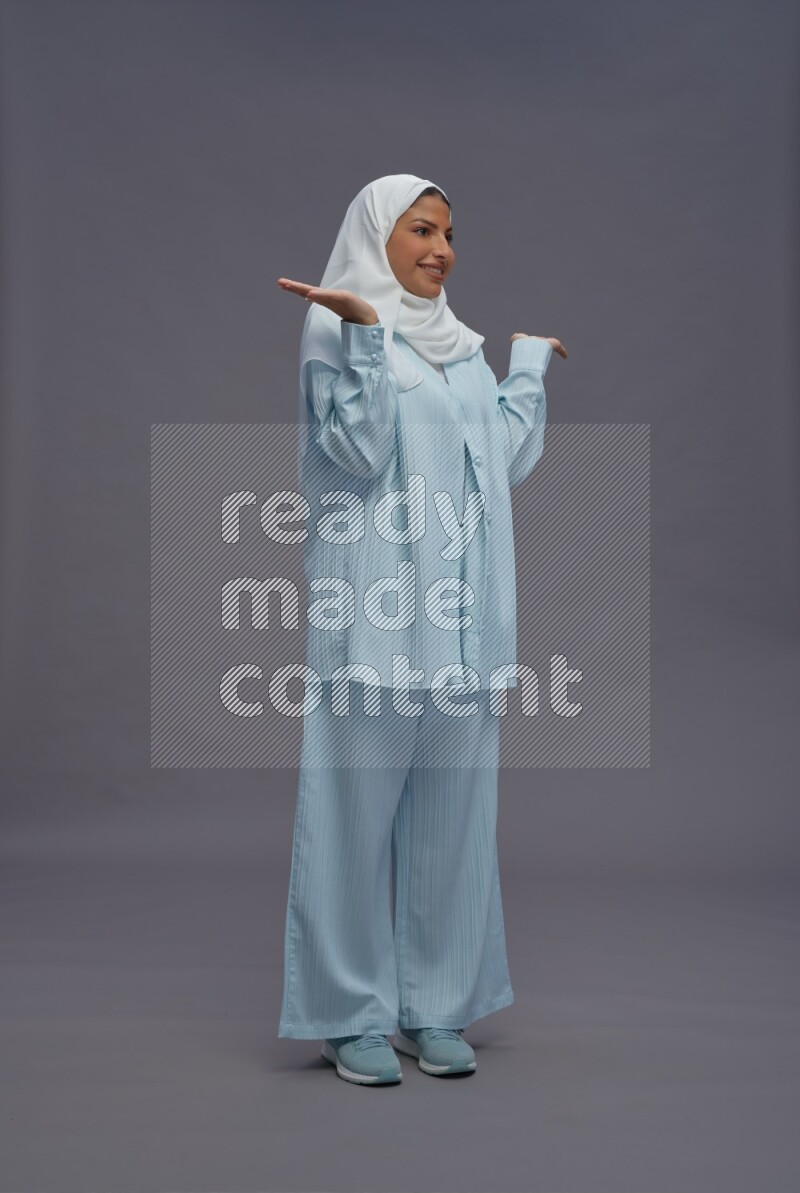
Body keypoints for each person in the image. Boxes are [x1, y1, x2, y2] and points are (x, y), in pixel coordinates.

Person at [275, 174, 566, 1086]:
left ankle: (433, 1005)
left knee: (454, 824)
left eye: (448, 233)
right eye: (421, 230)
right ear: (378, 235)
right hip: (372, 620)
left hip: (464, 627)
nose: (441, 248)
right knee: (351, 821)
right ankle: (347, 1013)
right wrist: (364, 331)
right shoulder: (339, 329)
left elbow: (504, 459)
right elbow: (357, 451)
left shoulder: (462, 350)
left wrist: (522, 365)